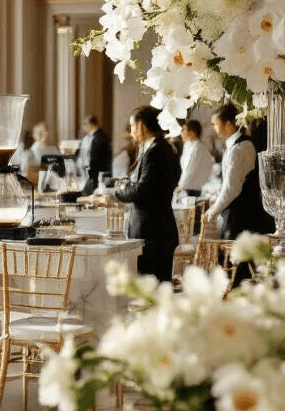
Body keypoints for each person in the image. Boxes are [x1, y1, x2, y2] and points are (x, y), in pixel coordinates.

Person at [114, 106, 180, 282]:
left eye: (133, 127)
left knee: (150, 289)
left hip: (153, 232)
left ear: (142, 125)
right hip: (160, 228)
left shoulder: (155, 152)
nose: (132, 132)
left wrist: (118, 193)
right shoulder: (165, 148)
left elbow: (142, 189)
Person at [205, 102, 275, 246]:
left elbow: (232, 188)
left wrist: (213, 210)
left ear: (229, 124)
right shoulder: (233, 145)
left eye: (215, 124)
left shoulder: (241, 147)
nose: (213, 128)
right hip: (237, 215)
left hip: (244, 218)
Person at [176, 119, 215, 196]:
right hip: (189, 187)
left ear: (192, 133)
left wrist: (180, 187)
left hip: (195, 190)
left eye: (184, 130)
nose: (181, 133)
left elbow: (190, 170)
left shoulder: (198, 148)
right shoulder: (189, 146)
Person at [78, 115, 111, 195]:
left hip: (97, 175)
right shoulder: (100, 136)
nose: (84, 127)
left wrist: (88, 169)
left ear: (91, 124)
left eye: (85, 124)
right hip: (98, 174)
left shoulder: (98, 138)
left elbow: (94, 158)